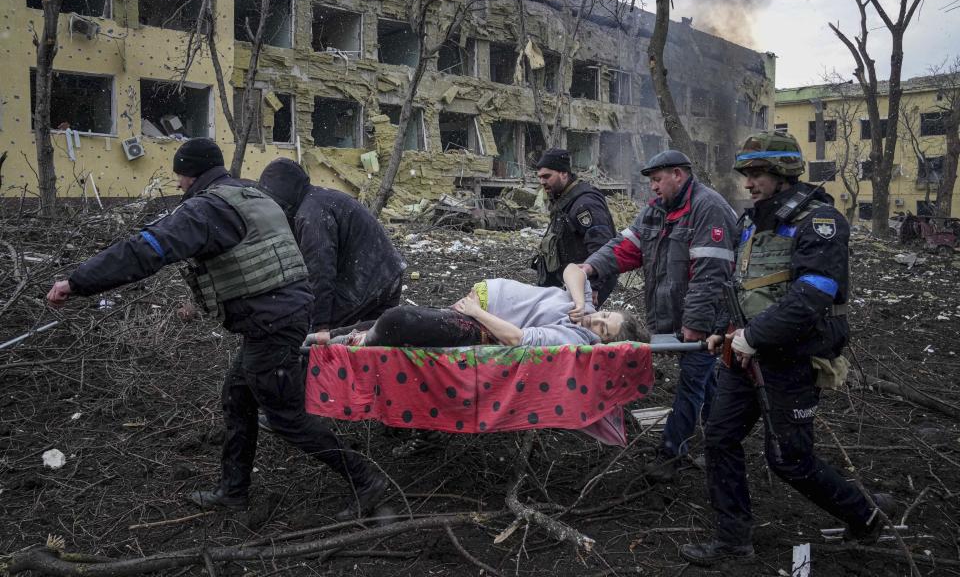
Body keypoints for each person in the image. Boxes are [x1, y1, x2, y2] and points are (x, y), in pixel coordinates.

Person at [45, 139, 386, 521]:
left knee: (287, 416)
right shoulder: (250, 193)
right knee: (237, 398)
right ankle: (232, 491)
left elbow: (145, 250)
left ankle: (366, 479)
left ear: (191, 175)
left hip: (271, 322)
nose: (176, 184)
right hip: (281, 314)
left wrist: (77, 283)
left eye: (178, 176)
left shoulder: (207, 209)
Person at [679, 132, 896, 565]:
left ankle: (866, 517)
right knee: (719, 438)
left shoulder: (819, 222)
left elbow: (812, 295)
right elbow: (744, 288)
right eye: (747, 173)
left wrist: (753, 337)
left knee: (790, 461)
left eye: (757, 173)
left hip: (790, 360)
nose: (749, 182)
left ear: (782, 173)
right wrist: (727, 330)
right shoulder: (752, 222)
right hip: (744, 357)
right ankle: (733, 543)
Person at [581, 149, 737, 481]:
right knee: (706, 380)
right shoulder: (656, 211)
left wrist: (694, 324)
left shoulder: (708, 209)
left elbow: (711, 274)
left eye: (657, 180)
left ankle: (671, 451)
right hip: (676, 317)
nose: (652, 187)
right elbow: (626, 247)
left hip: (708, 318)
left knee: (692, 382)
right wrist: (590, 266)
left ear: (678, 175)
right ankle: (720, 440)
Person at [313, 264, 647, 348]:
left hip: (480, 323)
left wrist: (476, 312)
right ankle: (321, 337)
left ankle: (345, 343)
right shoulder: (583, 309)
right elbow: (574, 270)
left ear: (603, 343)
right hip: (479, 304)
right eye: (604, 315)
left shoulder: (575, 340)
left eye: (604, 329)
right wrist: (579, 301)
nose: (596, 322)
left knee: (395, 320)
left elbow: (517, 338)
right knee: (390, 320)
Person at [258, 158, 405, 332]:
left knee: (308, 336)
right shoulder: (318, 199)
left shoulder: (311, 214)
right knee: (370, 344)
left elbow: (320, 272)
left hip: (368, 280)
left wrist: (320, 325)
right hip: (387, 272)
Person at [532, 147, 618, 306]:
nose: (542, 182)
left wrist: (593, 285)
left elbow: (601, 246)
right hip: (571, 281)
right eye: (540, 177)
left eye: (547, 176)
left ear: (564, 173)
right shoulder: (564, 200)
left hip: (585, 283)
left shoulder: (584, 203)